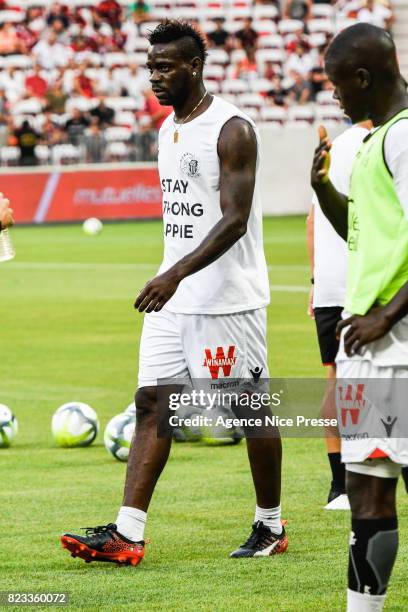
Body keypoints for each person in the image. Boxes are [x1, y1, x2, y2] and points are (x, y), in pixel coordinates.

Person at [61, 19, 286, 565]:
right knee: (152, 403)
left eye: (165, 67)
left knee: (248, 411)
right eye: (150, 66)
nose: (155, 77)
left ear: (195, 67)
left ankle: (271, 525)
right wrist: (171, 276)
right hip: (174, 297)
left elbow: (233, 220)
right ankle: (128, 532)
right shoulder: (169, 129)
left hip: (225, 299)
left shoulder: (232, 128)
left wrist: (175, 273)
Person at [311, 23, 408, 611]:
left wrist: (385, 317)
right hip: (369, 347)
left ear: (365, 78)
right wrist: (324, 188)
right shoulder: (376, 141)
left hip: (397, 341)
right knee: (368, 492)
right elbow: (364, 231)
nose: (336, 97)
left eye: (339, 84)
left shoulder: (404, 137)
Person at [307, 120, 371, 510]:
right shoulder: (389, 139)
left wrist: (316, 281)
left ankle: (340, 486)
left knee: (335, 377)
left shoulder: (334, 146)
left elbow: (313, 220)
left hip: (330, 282)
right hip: (371, 279)